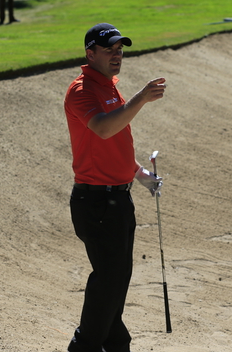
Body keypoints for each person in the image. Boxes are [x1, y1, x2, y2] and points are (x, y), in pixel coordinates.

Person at [64, 23, 167, 352]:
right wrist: (141, 98)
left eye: (120, 49)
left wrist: (139, 174)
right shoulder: (82, 91)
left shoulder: (109, 87)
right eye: (110, 49)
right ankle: (85, 347)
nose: (117, 54)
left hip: (118, 200)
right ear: (90, 54)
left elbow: (116, 143)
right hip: (95, 203)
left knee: (117, 281)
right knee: (108, 282)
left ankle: (115, 343)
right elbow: (104, 129)